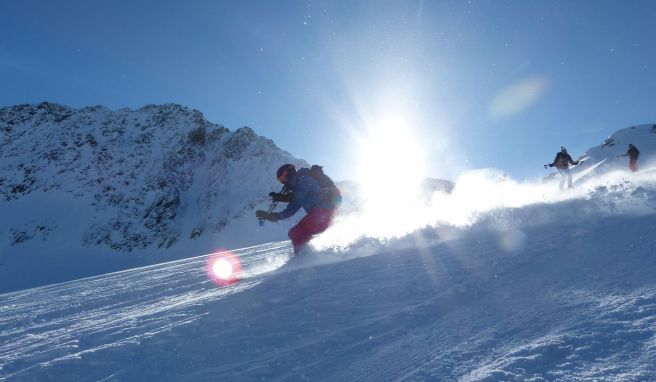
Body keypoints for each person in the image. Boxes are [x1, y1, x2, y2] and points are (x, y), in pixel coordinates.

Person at [256, 164, 341, 255]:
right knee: (296, 233)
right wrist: (272, 216)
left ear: (290, 171)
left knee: (296, 232)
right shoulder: (297, 188)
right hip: (322, 214)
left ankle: (305, 257)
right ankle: (309, 256)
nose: (284, 180)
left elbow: (299, 195)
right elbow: (290, 211)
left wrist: (283, 197)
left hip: (325, 211)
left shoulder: (304, 178)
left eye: (284, 176)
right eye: (280, 179)